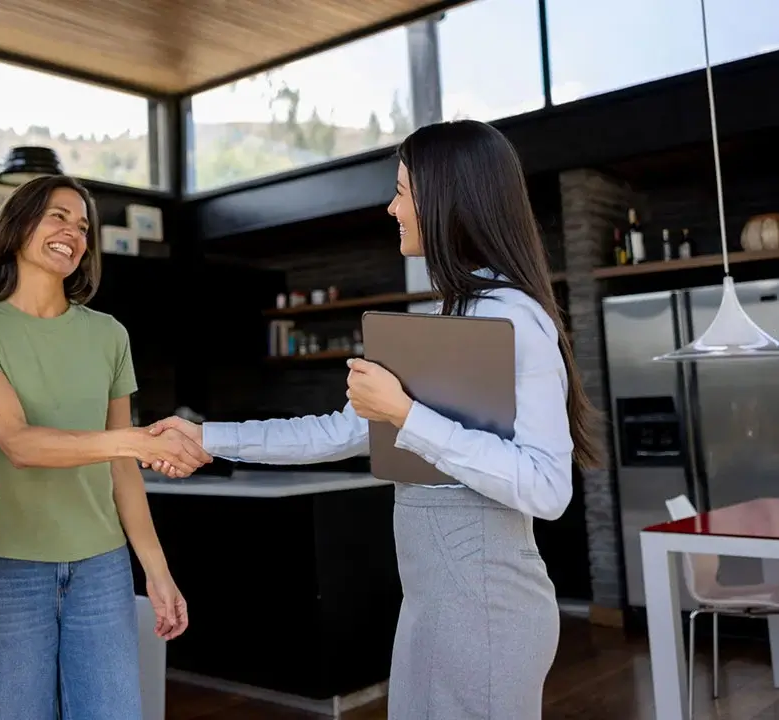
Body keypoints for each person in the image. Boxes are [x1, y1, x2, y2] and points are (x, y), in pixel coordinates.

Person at [148, 120, 603, 720]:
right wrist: (208, 437)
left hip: (488, 611)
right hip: (431, 605)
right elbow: (343, 430)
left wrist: (406, 413)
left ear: (448, 200)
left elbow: (548, 489)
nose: (392, 207)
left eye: (403, 192)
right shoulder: (455, 315)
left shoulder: (514, 318)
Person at [0, 174, 204, 719]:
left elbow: (122, 470)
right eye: (58, 216)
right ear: (18, 226)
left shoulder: (108, 334)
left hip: (100, 569)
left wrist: (155, 568)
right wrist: (131, 441)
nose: (73, 233)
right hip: (4, 567)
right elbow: (17, 442)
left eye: (83, 226)